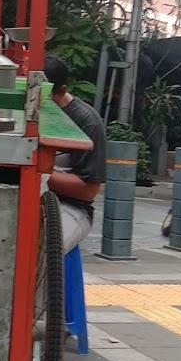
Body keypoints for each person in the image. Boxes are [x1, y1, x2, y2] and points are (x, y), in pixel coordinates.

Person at [43, 54, 106, 252]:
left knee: (42, 248)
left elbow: (88, 190)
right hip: (34, 197)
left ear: (62, 91)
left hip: (71, 207)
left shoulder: (87, 121)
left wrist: (37, 174)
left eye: (45, 95)